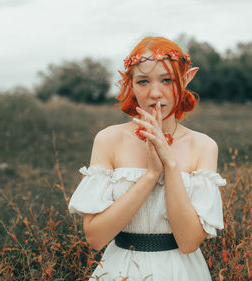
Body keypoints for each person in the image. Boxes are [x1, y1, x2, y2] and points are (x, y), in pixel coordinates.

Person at [68, 36, 226, 281]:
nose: (155, 93)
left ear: (186, 79)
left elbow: (189, 242)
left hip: (181, 271)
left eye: (167, 80)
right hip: (120, 269)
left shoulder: (203, 146)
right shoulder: (109, 140)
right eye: (143, 81)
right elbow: (95, 238)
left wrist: (170, 167)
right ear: (130, 83)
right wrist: (151, 175)